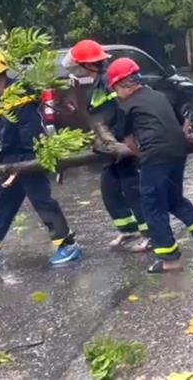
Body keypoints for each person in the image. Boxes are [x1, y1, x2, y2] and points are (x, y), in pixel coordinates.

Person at [0, 48, 82, 268]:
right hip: (9, 158)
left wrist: (30, 159)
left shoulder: (21, 92)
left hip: (29, 155)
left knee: (41, 200)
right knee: (2, 201)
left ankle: (67, 245)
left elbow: (30, 128)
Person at [107, 57, 193, 273]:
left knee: (152, 205)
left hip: (155, 153)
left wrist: (144, 155)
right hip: (179, 150)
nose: (116, 93)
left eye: (115, 88)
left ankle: (170, 259)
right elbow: (183, 124)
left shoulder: (126, 106)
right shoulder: (159, 96)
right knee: (173, 197)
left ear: (122, 84)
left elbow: (129, 142)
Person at [63, 39, 149, 250]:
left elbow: (119, 112)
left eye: (79, 65)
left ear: (89, 64)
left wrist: (124, 143)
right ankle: (128, 230)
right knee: (109, 190)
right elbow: (97, 115)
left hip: (123, 146)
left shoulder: (109, 81)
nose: (77, 70)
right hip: (111, 149)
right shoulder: (96, 84)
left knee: (133, 191)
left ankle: (151, 234)